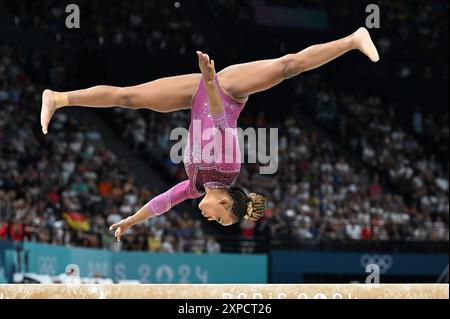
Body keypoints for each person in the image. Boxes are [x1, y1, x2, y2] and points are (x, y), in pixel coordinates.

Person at [40, 28, 379, 239]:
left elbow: (162, 203)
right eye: (221, 219)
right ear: (225, 202)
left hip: (197, 92)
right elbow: (219, 120)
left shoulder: (196, 187)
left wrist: (131, 220)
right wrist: (212, 78)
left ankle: (58, 98)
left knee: (128, 97)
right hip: (226, 90)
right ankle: (353, 39)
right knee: (287, 66)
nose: (211, 219)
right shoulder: (228, 169)